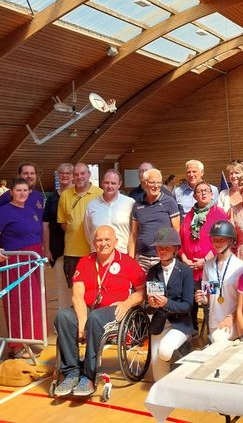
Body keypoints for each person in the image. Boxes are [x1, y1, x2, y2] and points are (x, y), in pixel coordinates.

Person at [54, 225, 145, 397]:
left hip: (113, 310)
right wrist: (82, 324)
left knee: (95, 318)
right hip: (87, 310)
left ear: (116, 241)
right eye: (99, 240)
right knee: (63, 316)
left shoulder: (127, 262)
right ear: (93, 242)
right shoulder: (85, 261)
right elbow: (77, 295)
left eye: (107, 239)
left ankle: (88, 376)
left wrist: (126, 304)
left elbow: (142, 291)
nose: (103, 243)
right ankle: (71, 373)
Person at [0, 178, 45, 358]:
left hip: (33, 260)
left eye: (25, 190)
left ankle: (31, 339)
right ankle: (17, 345)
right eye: (18, 190)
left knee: (33, 302)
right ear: (11, 191)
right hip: (15, 262)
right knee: (17, 303)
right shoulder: (3, 211)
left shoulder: (30, 209)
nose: (22, 193)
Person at [146, 227, 194, 380]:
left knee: (165, 351)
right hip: (159, 324)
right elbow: (147, 306)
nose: (163, 250)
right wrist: (151, 305)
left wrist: (166, 303)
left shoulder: (185, 271)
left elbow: (187, 306)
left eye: (167, 246)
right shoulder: (152, 271)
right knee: (158, 378)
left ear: (176, 248)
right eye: (160, 247)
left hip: (180, 324)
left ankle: (184, 355)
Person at [180, 181, 228, 331]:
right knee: (191, 301)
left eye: (206, 190)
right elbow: (180, 239)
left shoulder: (219, 213)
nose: (203, 193)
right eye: (199, 191)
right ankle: (191, 332)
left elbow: (224, 239)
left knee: (210, 300)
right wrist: (183, 257)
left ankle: (211, 332)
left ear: (212, 193)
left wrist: (206, 259)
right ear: (194, 196)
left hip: (210, 267)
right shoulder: (189, 216)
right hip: (191, 270)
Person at [195, 220, 243, 342]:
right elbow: (209, 296)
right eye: (214, 239)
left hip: (232, 323)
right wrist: (202, 298)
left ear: (231, 241)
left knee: (218, 339)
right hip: (214, 322)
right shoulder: (208, 266)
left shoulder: (241, 267)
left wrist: (231, 317)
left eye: (221, 240)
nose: (217, 243)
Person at [57, 163, 103, 288]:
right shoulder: (65, 196)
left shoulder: (100, 194)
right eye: (76, 174)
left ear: (89, 175)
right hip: (72, 253)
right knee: (75, 289)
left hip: (94, 251)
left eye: (82, 173)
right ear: (73, 177)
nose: (79, 177)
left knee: (95, 287)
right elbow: (63, 223)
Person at [131, 168, 180, 273]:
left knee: (162, 289)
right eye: (152, 182)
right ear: (144, 183)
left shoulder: (169, 202)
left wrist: (172, 253)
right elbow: (134, 234)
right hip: (142, 258)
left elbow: (176, 230)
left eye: (159, 182)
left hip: (162, 257)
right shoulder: (137, 205)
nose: (156, 186)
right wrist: (131, 259)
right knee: (141, 288)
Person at [43, 163, 74, 310]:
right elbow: (46, 225)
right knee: (62, 286)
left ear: (72, 175)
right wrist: (47, 249)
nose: (65, 175)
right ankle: (63, 320)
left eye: (68, 173)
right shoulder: (52, 199)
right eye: (62, 173)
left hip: (76, 248)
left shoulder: (77, 195)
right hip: (58, 249)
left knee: (77, 287)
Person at [84, 169, 134, 255]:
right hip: (98, 255)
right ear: (102, 183)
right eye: (107, 182)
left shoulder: (130, 203)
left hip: (122, 254)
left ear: (119, 184)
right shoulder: (92, 205)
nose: (109, 186)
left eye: (113, 183)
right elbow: (88, 233)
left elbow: (134, 232)